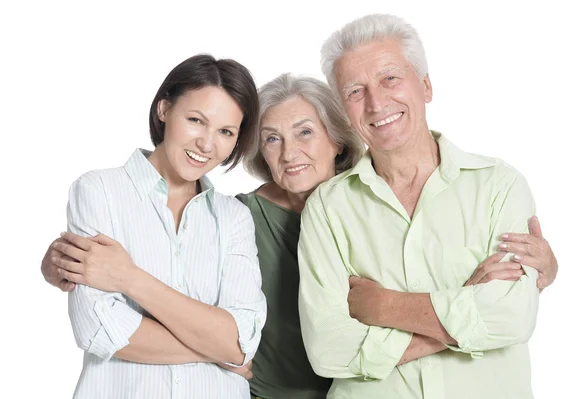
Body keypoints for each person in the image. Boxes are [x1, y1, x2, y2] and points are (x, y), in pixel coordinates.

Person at [42, 70, 558, 398]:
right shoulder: (239, 217)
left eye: (305, 132)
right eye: (271, 138)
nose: (289, 153)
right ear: (256, 152)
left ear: (337, 138)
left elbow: (446, 277)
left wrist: (537, 272)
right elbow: (159, 290)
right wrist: (62, 264)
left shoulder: (376, 204)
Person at [297, 14, 554, 398]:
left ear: (426, 85)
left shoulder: (499, 185)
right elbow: (328, 349)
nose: (376, 102)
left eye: (390, 79)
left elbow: (513, 317)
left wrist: (384, 306)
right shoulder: (327, 208)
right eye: (355, 91)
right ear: (344, 110)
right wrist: (465, 307)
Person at [47, 54, 267, 399]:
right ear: (164, 109)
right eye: (196, 120)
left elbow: (242, 337)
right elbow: (97, 329)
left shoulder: (234, 217)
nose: (207, 144)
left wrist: (129, 278)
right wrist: (220, 352)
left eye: (225, 132)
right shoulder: (99, 191)